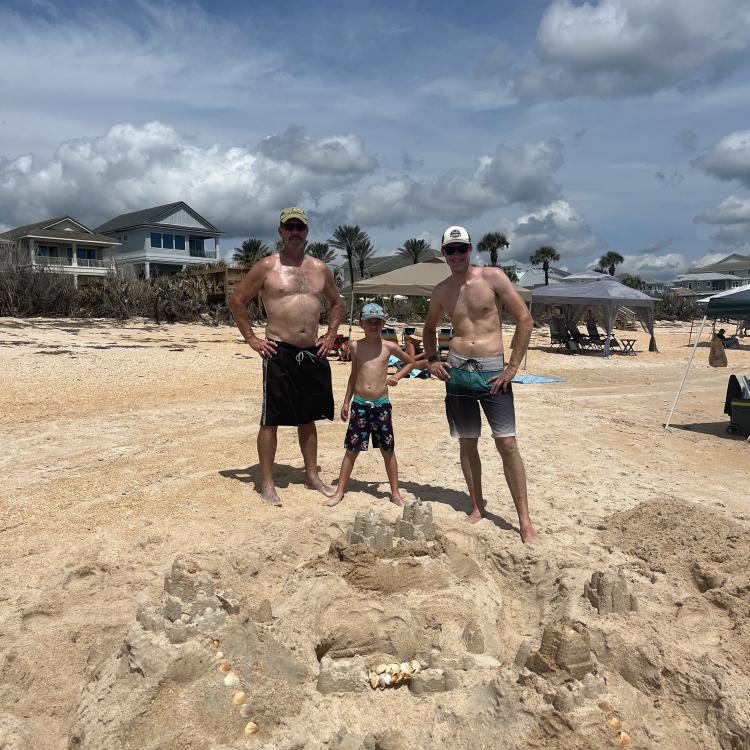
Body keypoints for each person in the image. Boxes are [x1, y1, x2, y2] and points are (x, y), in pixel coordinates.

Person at [423, 225, 537, 542]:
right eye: (451, 250)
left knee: (507, 444)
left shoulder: (493, 277)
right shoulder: (442, 290)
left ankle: (524, 522)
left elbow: (525, 319)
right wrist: (432, 359)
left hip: (492, 371)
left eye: (462, 248)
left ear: (470, 249)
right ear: (443, 253)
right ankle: (477, 505)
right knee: (468, 442)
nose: (457, 254)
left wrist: (513, 366)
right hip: (457, 372)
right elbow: (429, 326)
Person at [229, 207, 343, 507]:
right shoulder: (266, 267)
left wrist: (330, 336)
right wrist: (252, 339)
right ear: (280, 231)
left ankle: (312, 476)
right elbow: (237, 300)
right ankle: (266, 483)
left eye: (300, 227)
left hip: (312, 351)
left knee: (309, 418)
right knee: (271, 420)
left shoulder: (319, 268)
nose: (295, 232)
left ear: (307, 231)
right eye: (289, 227)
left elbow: (336, 304)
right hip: (279, 351)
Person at [323, 303, 415, 508]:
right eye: (369, 322)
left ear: (383, 324)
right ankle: (339, 492)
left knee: (388, 450)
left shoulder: (389, 346)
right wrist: (346, 401)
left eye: (377, 322)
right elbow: (353, 374)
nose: (373, 325)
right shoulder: (355, 346)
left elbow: (410, 362)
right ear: (361, 324)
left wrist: (397, 377)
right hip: (360, 405)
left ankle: (395, 493)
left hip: (381, 405)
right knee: (351, 450)